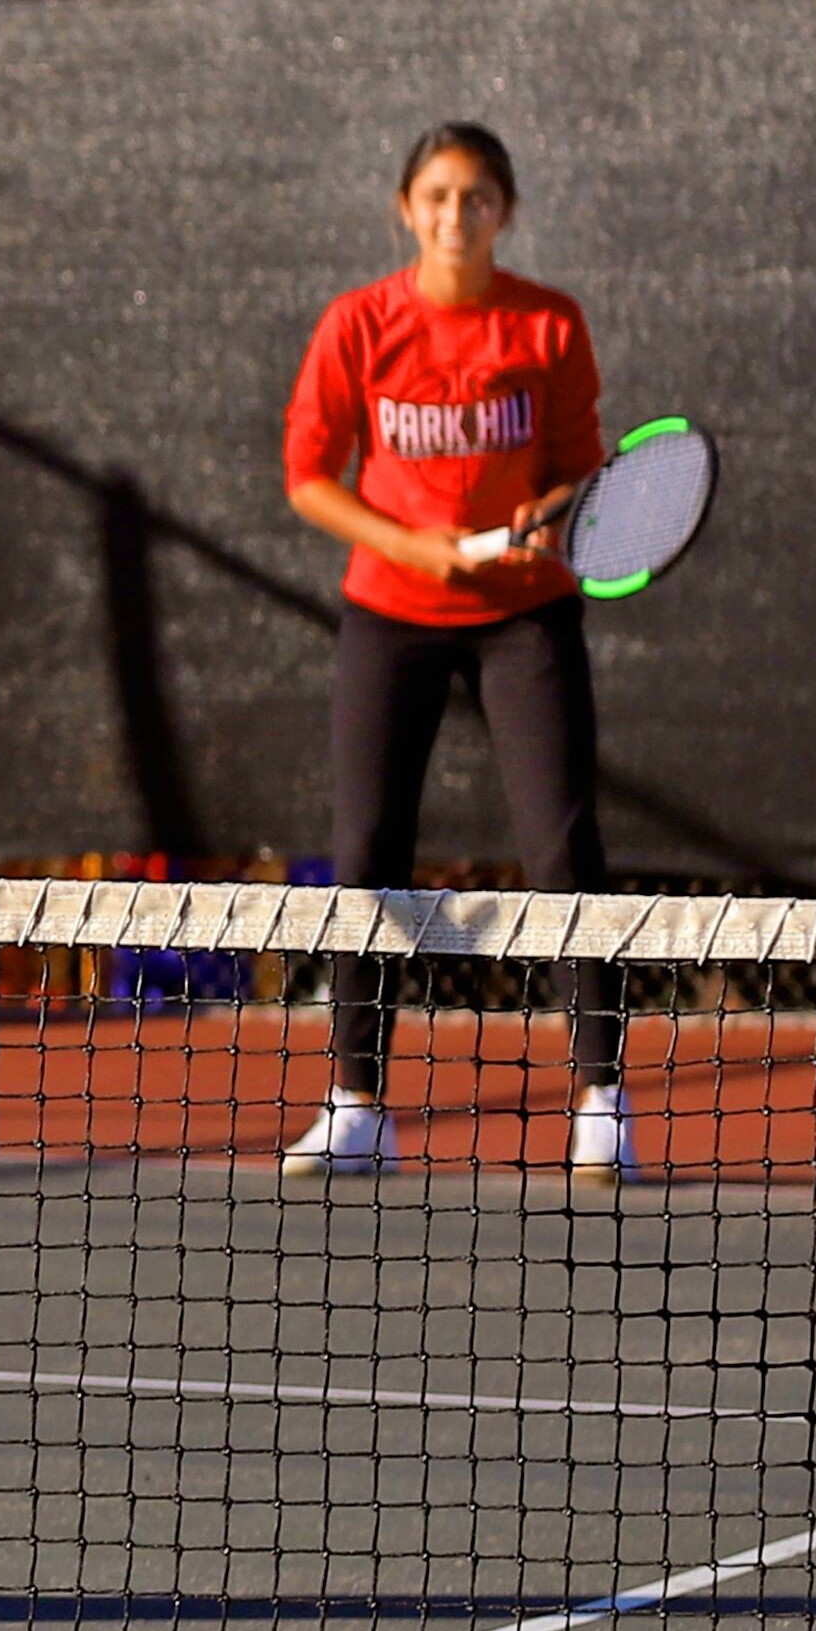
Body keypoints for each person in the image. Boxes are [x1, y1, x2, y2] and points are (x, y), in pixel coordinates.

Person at [276, 119, 632, 1187]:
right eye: (435, 195)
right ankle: (354, 1104)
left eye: (475, 196)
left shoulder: (547, 323)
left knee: (562, 849)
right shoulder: (358, 323)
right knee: (366, 851)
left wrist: (543, 513)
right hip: (389, 611)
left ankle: (600, 1100)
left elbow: (579, 470)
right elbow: (308, 476)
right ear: (405, 208)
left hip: (525, 616)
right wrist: (411, 546)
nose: (454, 214)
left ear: (503, 210)